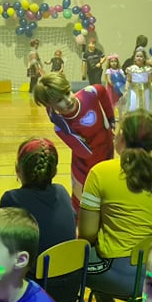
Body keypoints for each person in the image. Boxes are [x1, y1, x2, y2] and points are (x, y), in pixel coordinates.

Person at [81, 110, 152, 302]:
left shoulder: (101, 172)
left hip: (119, 275)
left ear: (121, 136)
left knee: (73, 256)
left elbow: (86, 234)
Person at [33, 72, 115, 212]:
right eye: (59, 100)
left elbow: (101, 91)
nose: (68, 100)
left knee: (108, 198)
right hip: (83, 165)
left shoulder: (90, 94)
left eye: (67, 92)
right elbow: (84, 152)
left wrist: (111, 118)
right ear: (50, 105)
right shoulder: (61, 127)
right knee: (80, 203)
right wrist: (62, 125)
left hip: (107, 154)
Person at [0, 138, 76, 255]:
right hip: (70, 264)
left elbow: (1, 244)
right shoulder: (62, 192)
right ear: (54, 171)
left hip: (33, 267)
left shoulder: (11, 199)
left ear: (18, 169)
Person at [123, 47, 152, 114]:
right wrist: (126, 90)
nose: (139, 58)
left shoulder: (148, 69)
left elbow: (149, 81)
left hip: (145, 90)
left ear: (144, 58)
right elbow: (128, 80)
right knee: (133, 105)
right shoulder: (131, 69)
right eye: (137, 56)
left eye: (141, 56)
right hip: (134, 90)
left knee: (146, 106)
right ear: (134, 58)